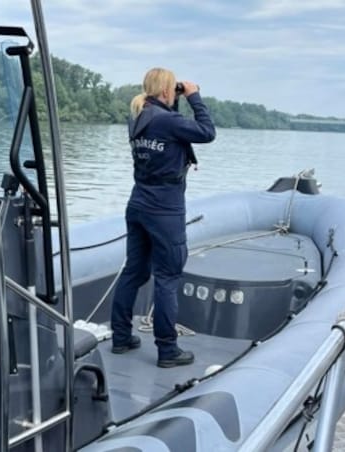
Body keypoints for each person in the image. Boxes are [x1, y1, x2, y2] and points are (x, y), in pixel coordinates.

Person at [110, 67, 216, 368]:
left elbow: (171, 128)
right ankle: (168, 350)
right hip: (165, 208)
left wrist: (176, 98)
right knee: (167, 278)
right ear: (168, 91)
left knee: (134, 271)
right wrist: (194, 96)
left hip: (139, 203)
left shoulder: (139, 116)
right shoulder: (168, 121)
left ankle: (120, 337)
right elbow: (207, 133)